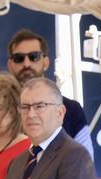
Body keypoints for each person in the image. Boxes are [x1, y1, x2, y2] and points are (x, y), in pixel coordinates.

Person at [6, 29, 94, 158]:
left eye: (34, 56)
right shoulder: (0, 110)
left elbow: (86, 162)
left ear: (46, 62)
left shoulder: (71, 109)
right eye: (19, 58)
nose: (26, 63)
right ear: (10, 64)